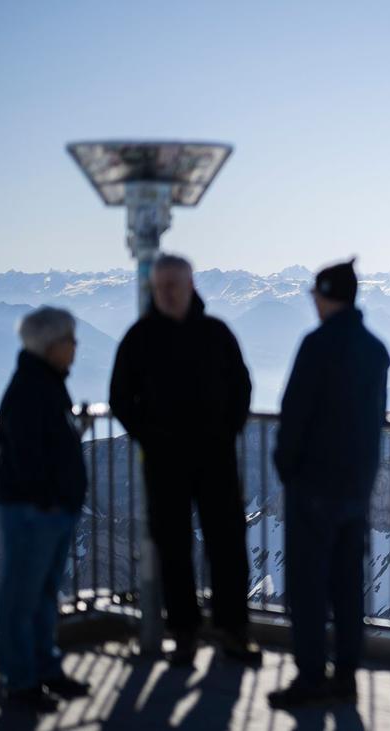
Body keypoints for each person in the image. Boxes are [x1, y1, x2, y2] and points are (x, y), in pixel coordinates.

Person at [109, 254, 260, 665]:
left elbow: (242, 385)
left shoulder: (216, 334)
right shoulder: (139, 339)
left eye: (175, 284)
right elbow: (120, 398)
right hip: (164, 464)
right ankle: (185, 634)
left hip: (216, 459)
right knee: (174, 550)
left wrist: (227, 430)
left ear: (192, 285)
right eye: (162, 286)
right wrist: (150, 438)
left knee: (227, 545)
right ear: (154, 289)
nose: (169, 292)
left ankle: (234, 632)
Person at [268, 259, 390, 708]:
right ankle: (346, 676)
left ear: (326, 295)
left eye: (316, 295)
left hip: (313, 486)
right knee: (346, 585)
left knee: (308, 586)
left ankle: (310, 678)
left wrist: (287, 467)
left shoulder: (317, 345)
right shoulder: (376, 350)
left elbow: (295, 412)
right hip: (356, 488)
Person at [0, 306, 92, 712]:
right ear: (51, 346)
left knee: (43, 594)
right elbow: (29, 454)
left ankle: (44, 670)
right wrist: (51, 499)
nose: (75, 347)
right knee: (22, 597)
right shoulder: (33, 389)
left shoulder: (45, 382)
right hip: (35, 512)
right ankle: (21, 680)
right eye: (70, 339)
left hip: (46, 510)